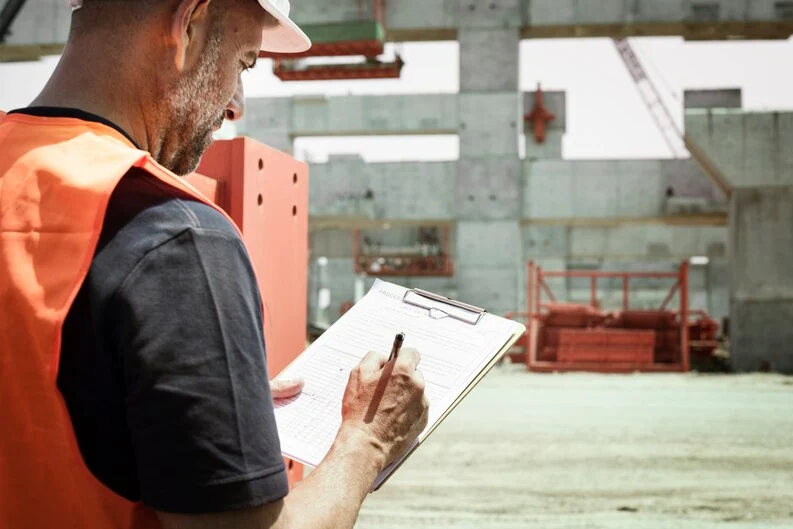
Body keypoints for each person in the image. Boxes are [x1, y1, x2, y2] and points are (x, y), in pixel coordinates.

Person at [0, 1, 429, 528]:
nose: (236, 106)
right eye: (244, 62)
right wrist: (366, 441)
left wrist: (187, 390)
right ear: (190, 23)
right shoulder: (175, 234)